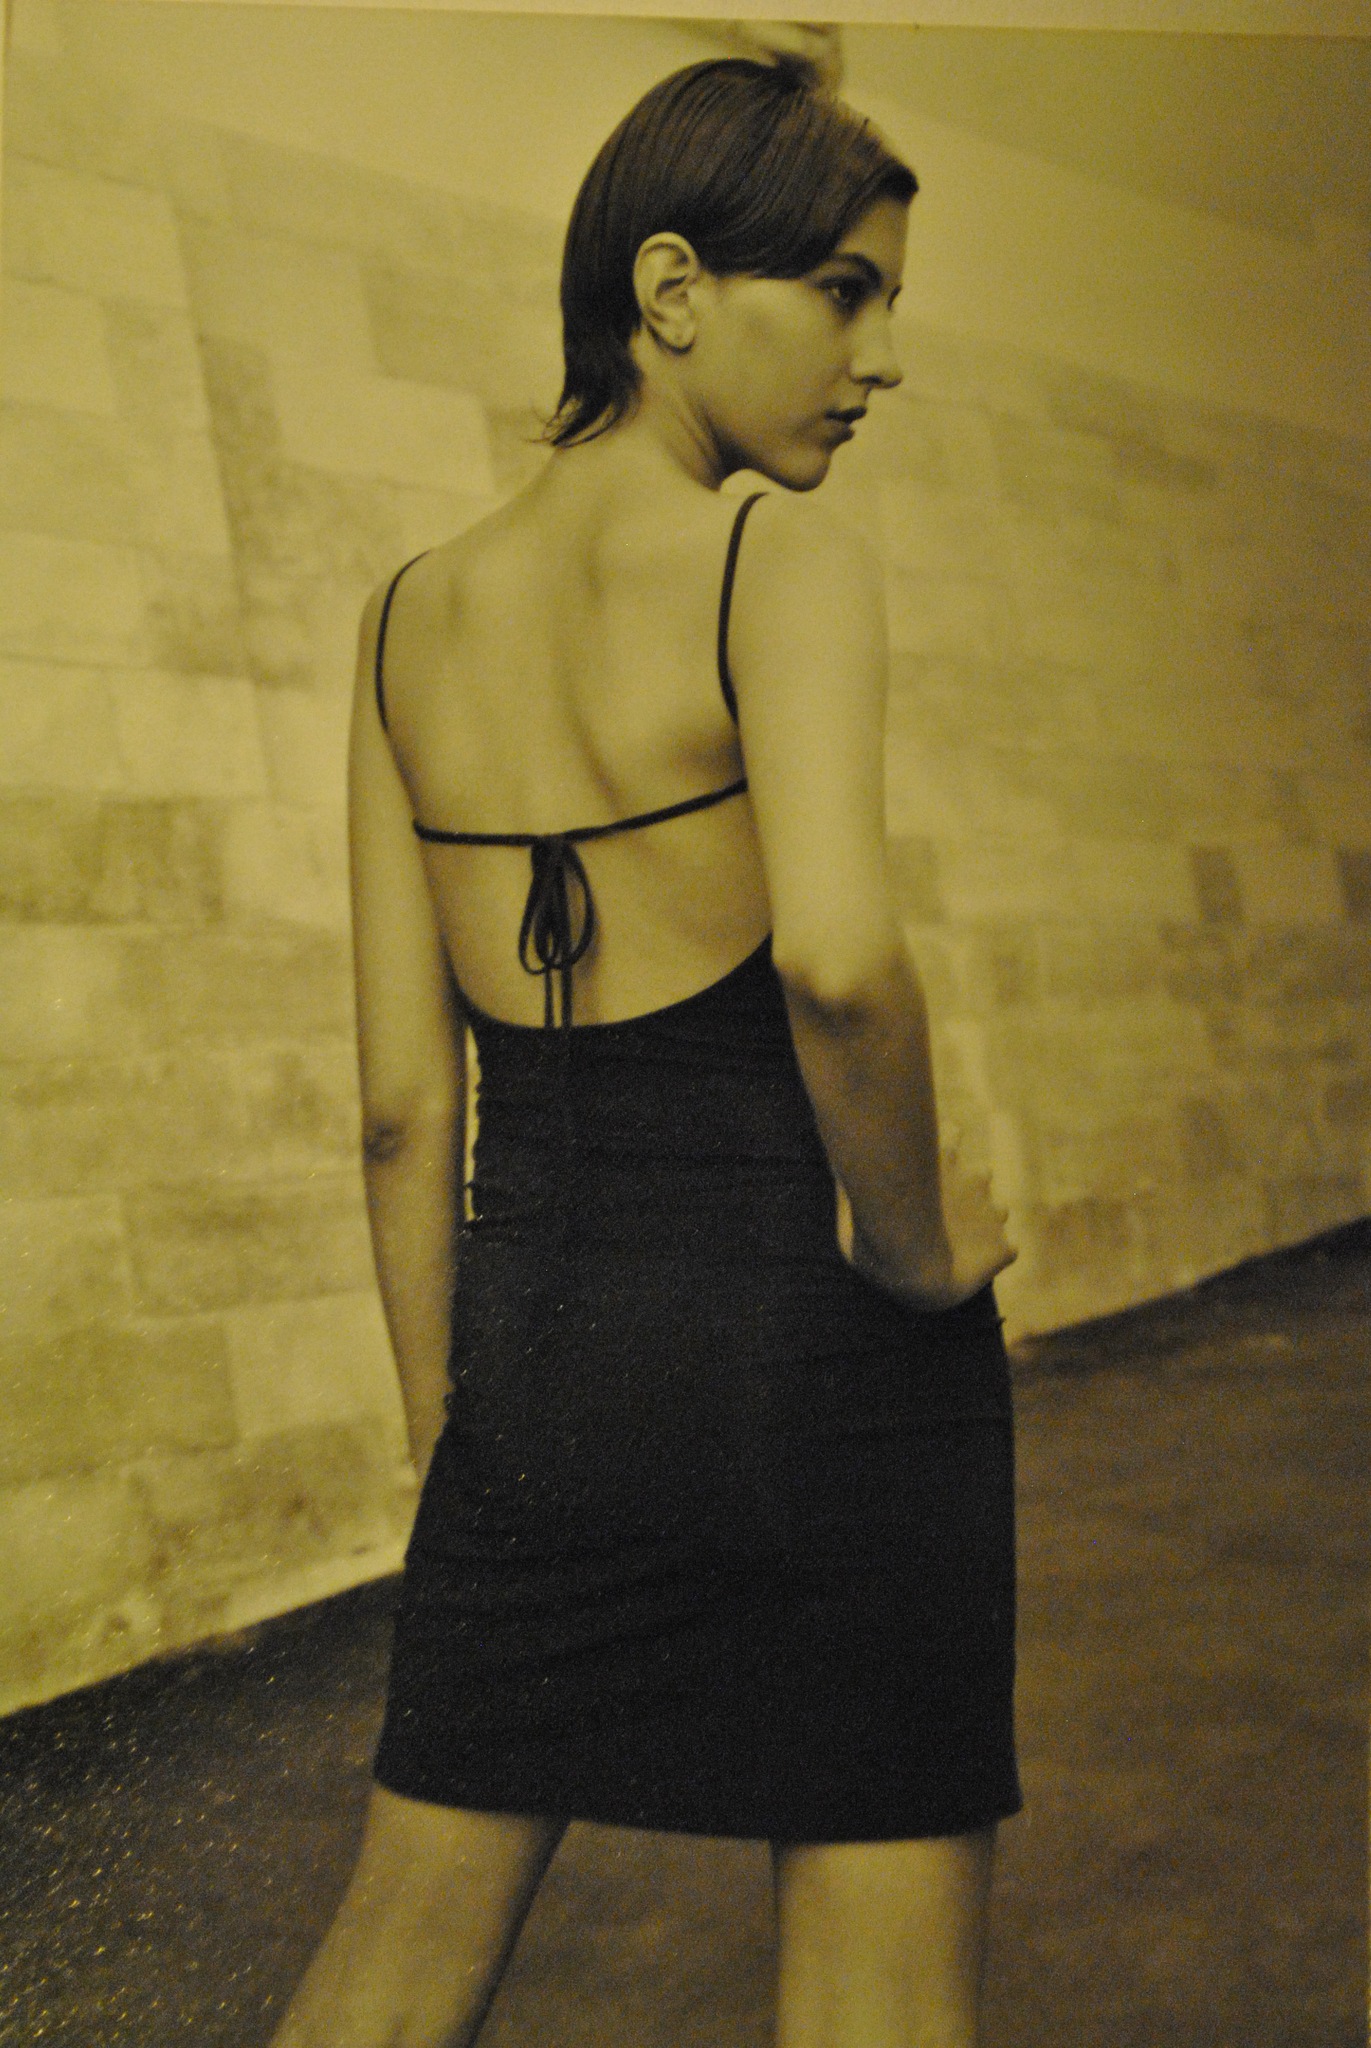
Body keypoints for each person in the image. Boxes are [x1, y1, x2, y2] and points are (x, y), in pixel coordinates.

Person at [270, 55, 1019, 2048]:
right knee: (876, 1984)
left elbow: (400, 1109)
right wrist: (917, 1251)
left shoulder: (405, 619)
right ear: (670, 287)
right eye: (843, 292)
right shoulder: (777, 558)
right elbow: (839, 968)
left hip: (538, 1354)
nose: (879, 356)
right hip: (826, 1354)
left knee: (395, 1959)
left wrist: (457, 1437)